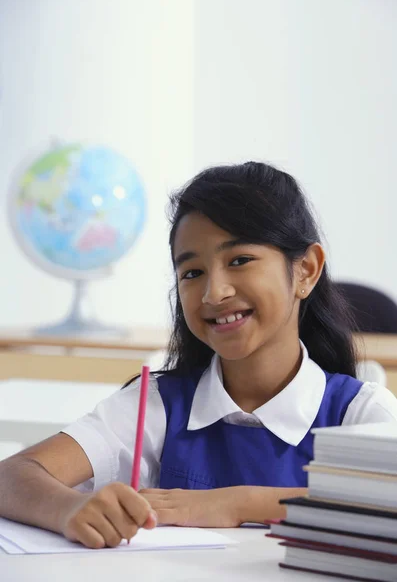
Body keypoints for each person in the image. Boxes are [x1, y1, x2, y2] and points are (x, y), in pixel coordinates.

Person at [1, 161, 397, 549]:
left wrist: (239, 503)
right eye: (192, 273)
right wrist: (70, 508)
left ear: (306, 270)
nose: (214, 293)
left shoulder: (358, 412)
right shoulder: (158, 405)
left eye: (239, 260)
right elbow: (12, 476)